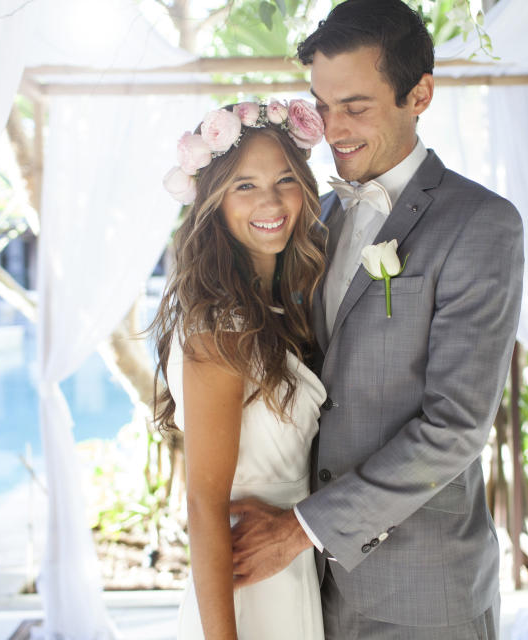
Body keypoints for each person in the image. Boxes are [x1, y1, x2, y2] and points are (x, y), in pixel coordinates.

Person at [229, 1, 525, 638]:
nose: (333, 129)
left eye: (356, 107)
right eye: (323, 105)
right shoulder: (315, 219)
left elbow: (455, 429)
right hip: (311, 589)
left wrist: (301, 529)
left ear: (419, 94)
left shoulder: (481, 224)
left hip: (424, 591)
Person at [151, 100, 327, 639]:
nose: (270, 201)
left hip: (293, 562)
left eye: (284, 180)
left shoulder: (284, 307)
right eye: (245, 186)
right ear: (214, 202)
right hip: (247, 588)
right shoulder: (219, 326)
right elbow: (204, 504)